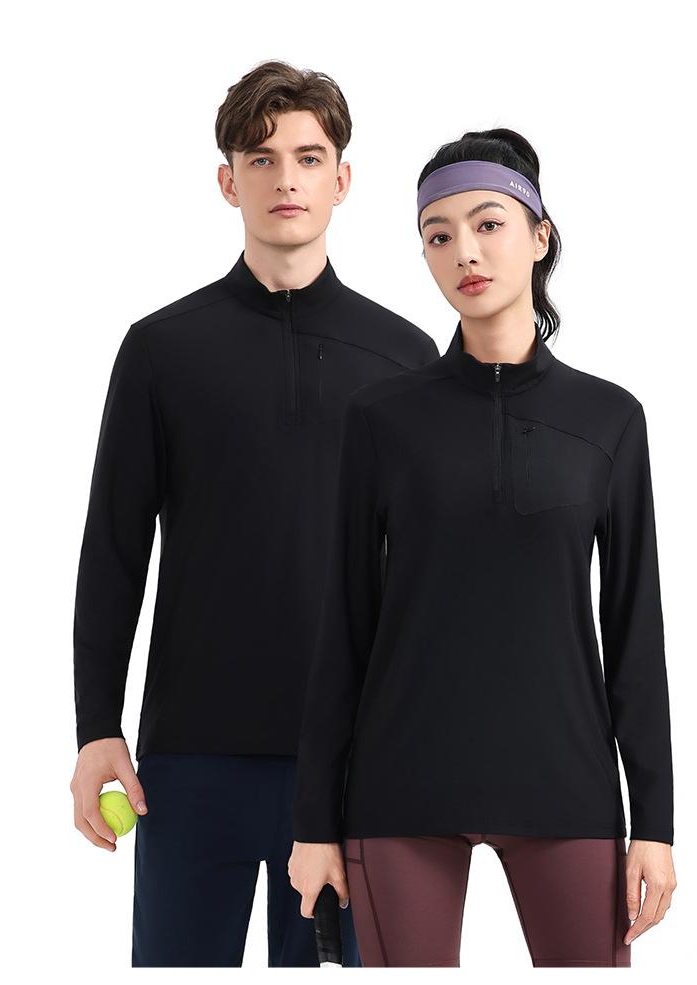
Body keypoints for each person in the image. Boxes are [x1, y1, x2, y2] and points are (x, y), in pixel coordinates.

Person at [68, 59, 439, 968]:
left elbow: (432, 576)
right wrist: (96, 726)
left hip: (355, 766)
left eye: (308, 158)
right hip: (191, 760)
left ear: (342, 179)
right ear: (228, 181)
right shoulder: (162, 349)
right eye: (261, 158)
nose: (286, 179)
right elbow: (113, 548)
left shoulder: (403, 358)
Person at [288, 127, 677, 968]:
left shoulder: (610, 419)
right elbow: (343, 629)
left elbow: (634, 634)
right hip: (401, 788)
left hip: (567, 785)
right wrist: (313, 823)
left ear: (540, 237)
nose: (463, 250)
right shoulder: (381, 419)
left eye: (488, 224)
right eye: (438, 235)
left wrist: (655, 823)